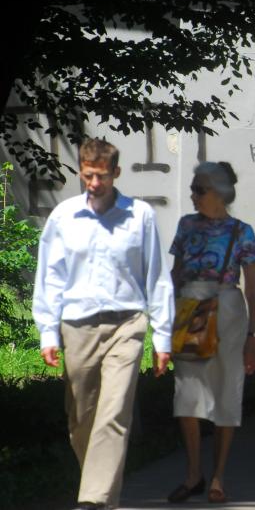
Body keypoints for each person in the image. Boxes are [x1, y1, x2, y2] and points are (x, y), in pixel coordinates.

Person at [32, 138, 173, 510]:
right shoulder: (64, 217)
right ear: (81, 171)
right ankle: (102, 491)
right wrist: (48, 331)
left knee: (114, 413)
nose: (94, 183)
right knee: (81, 418)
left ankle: (93, 499)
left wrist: (163, 337)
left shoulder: (139, 215)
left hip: (127, 325)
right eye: (88, 175)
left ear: (116, 173)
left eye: (102, 176)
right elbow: (49, 277)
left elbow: (156, 278)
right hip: (76, 327)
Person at [168, 162, 255, 504]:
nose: (193, 196)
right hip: (191, 307)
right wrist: (164, 325)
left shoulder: (243, 232)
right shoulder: (186, 226)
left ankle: (218, 475)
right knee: (188, 394)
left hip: (228, 310)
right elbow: (174, 276)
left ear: (219, 193)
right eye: (193, 189)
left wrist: (253, 339)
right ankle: (194, 473)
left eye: (199, 189)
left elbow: (252, 289)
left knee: (227, 392)